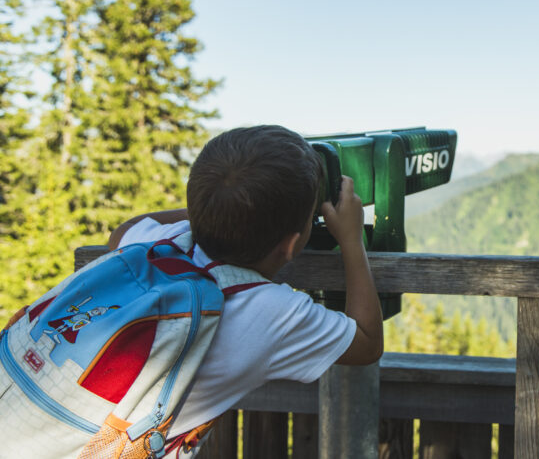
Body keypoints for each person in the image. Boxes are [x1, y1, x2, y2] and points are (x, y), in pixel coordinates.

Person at [107, 125, 383, 442]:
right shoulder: (271, 311)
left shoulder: (166, 243)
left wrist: (216, 210)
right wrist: (351, 238)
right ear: (291, 245)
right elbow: (367, 343)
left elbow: (124, 230)